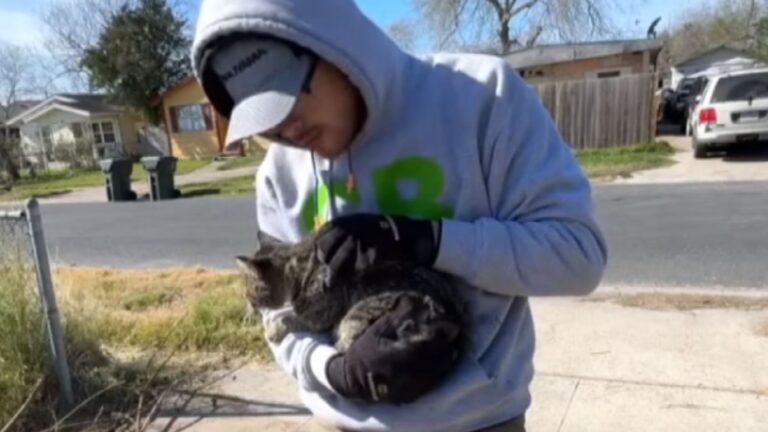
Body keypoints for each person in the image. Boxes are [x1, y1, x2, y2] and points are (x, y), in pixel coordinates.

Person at [191, 0, 608, 431]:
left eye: (286, 101)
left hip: (476, 421)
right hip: (342, 424)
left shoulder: (483, 97)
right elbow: (276, 313)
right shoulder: (279, 173)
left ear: (336, 45)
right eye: (264, 121)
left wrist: (431, 240)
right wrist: (329, 370)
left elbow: (577, 260)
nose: (287, 131)